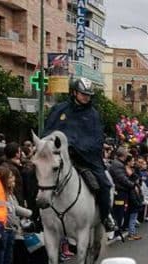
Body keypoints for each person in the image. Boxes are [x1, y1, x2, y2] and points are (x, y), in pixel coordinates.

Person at [43, 77, 116, 232]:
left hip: (84, 158)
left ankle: (106, 216)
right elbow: (48, 131)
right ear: (74, 92)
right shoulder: (59, 110)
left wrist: (75, 146)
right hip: (57, 156)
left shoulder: (93, 115)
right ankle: (35, 217)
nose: (86, 97)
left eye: (88, 95)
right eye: (83, 94)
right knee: (33, 174)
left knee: (104, 184)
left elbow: (96, 139)